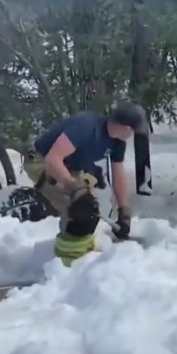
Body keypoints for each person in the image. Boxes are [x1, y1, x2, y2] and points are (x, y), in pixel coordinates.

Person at [23, 102, 148, 266]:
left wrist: (124, 211)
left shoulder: (118, 142)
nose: (132, 134)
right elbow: (53, 158)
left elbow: (118, 175)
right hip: (42, 161)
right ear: (123, 126)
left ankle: (82, 254)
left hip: (69, 166)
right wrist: (74, 187)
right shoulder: (86, 126)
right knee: (79, 209)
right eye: (132, 130)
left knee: (90, 208)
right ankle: (66, 264)